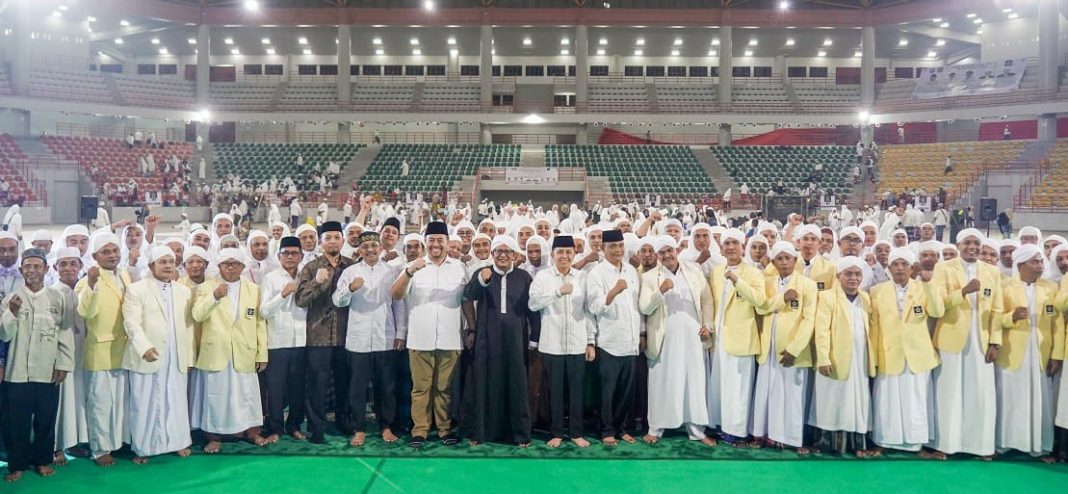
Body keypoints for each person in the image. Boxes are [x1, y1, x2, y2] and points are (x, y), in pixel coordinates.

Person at [390, 221, 469, 448]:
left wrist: (470, 328)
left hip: (451, 337)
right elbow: (395, 294)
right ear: (426, 242)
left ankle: (444, 429)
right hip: (420, 337)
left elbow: (466, 301)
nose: (436, 244)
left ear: (446, 242)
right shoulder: (414, 267)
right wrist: (408, 271)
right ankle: (420, 430)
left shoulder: (458, 267)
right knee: (420, 388)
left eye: (440, 240)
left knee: (444, 388)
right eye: (431, 240)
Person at [926, 228, 1002, 460]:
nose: (973, 247)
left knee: (980, 393)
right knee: (948, 393)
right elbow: (936, 306)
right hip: (950, 338)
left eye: (976, 243)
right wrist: (963, 292)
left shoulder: (992, 271)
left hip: (980, 341)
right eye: (967, 242)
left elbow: (997, 310)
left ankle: (980, 446)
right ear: (958, 245)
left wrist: (995, 342)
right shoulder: (943, 268)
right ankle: (945, 445)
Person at [1, 248, 74, 483]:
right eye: (28, 267)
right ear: (22, 270)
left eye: (37, 266)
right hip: (17, 372)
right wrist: (11, 312)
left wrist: (62, 363)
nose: (32, 270)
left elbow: (65, 333)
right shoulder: (11, 297)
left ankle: (43, 461)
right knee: (17, 422)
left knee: (46, 419)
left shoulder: (57, 298)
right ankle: (17, 465)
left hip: (48, 370)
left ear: (45, 269)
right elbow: (4, 334)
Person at [462, 235, 539, 447]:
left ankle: (519, 435)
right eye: (498, 251)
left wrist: (534, 338)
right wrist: (481, 280)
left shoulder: (523, 277)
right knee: (485, 381)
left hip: (516, 339)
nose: (503, 255)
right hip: (487, 338)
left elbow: (532, 310)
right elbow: (469, 295)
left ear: (514, 254)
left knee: (516, 382)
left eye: (507, 252)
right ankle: (481, 432)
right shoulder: (482, 273)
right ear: (493, 254)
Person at [190, 248, 268, 453]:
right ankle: (214, 436)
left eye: (235, 263)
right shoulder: (207, 287)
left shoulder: (253, 289)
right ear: (219, 266)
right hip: (216, 351)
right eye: (227, 263)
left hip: (244, 351)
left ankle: (252, 432)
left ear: (243, 266)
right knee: (216, 395)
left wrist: (262, 354)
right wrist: (214, 296)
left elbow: (260, 322)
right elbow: (197, 315)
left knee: (247, 394)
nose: (231, 267)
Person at [638, 235, 714, 446]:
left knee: (694, 381)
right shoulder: (651, 277)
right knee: (661, 381)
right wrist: (659, 291)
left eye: (669, 251)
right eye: (661, 253)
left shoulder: (694, 270)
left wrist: (708, 326)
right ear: (657, 256)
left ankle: (696, 430)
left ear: (676, 250)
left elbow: (707, 300)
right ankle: (656, 428)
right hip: (663, 338)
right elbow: (644, 308)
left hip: (693, 335)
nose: (667, 255)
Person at [333, 231, 407, 447]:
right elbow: (338, 301)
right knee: (357, 387)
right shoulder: (350, 272)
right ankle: (359, 428)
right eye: (366, 247)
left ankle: (386, 426)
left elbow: (399, 304)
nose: (370, 250)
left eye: (374, 246)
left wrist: (401, 333)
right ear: (359, 250)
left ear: (380, 248)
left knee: (386, 386)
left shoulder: (392, 272)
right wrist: (349, 289)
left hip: (386, 336)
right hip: (359, 339)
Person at [122, 246, 195, 464]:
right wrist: (144, 347)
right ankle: (144, 448)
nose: (168, 266)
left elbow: (188, 326)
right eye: (162, 262)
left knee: (176, 399)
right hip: (148, 355)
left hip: (176, 356)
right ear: (151, 265)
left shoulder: (183, 291)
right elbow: (131, 322)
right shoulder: (137, 289)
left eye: (171, 262)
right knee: (144, 402)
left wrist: (189, 357)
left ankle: (178, 442)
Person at [868, 248, 941, 455]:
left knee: (916, 399)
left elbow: (937, 311)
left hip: (917, 354)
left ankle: (916, 444)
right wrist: (872, 356)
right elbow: (874, 327)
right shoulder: (877, 291)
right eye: (895, 265)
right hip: (889, 352)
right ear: (889, 268)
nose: (900, 268)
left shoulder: (923, 287)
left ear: (911, 268)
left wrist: (927, 282)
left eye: (904, 264)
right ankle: (883, 442)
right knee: (887, 399)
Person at [529, 235, 594, 448]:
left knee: (577, 390)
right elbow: (533, 304)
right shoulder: (543, 277)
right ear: (553, 255)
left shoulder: (582, 277)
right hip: (552, 344)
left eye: (568, 252)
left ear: (574, 254)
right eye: (560, 252)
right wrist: (557, 292)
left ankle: (576, 433)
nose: (564, 256)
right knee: (554, 391)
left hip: (577, 343)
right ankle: (556, 432)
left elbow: (589, 311)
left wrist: (591, 341)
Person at [996, 245, 1059, 460]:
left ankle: (1039, 447)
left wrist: (1056, 355)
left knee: (1040, 398)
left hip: (1041, 350)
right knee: (1010, 397)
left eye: (1041, 261)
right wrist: (1010, 317)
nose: (1040, 266)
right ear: (1021, 265)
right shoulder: (1004, 286)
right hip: (1013, 349)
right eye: (1034, 262)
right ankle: (1004, 444)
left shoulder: (1050, 288)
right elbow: (994, 319)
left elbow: (1057, 324)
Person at [294, 221, 355, 444]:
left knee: (344, 381)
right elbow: (300, 300)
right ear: (321, 242)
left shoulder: (351, 266)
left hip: (345, 334)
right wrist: (318, 283)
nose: (332, 241)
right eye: (327, 238)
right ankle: (316, 427)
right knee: (317, 384)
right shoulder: (310, 268)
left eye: (336, 237)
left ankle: (343, 421)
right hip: (318, 334)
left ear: (343, 240)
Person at [752, 242, 816, 453]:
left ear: (795, 261)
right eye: (779, 258)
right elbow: (761, 308)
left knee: (792, 394)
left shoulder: (807, 285)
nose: (784, 262)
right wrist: (782, 299)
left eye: (788, 258)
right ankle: (764, 435)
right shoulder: (767, 282)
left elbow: (809, 320)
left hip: (792, 348)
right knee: (767, 390)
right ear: (774, 262)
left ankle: (792, 439)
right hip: (768, 344)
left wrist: (795, 349)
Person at [810, 257, 877, 457]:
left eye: (857, 274)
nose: (853, 278)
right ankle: (829, 445)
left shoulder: (865, 298)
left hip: (860, 359)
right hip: (835, 359)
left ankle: (857, 444)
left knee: (858, 400)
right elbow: (821, 331)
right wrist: (823, 358)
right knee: (833, 400)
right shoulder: (828, 297)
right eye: (848, 274)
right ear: (839, 276)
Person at [76, 233, 131, 467]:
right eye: (106, 252)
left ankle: (118, 442)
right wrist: (91, 284)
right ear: (94, 255)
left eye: (115, 251)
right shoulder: (87, 280)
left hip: (124, 349)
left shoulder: (125, 275)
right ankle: (100, 449)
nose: (112, 256)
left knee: (120, 402)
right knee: (100, 402)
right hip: (100, 351)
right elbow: (85, 312)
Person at [707, 229, 766, 445]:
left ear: (743, 246)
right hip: (719, 336)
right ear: (721, 248)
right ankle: (719, 425)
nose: (731, 247)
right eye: (727, 243)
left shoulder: (752, 273)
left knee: (739, 387)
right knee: (719, 384)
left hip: (741, 337)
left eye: (735, 243)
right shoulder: (716, 271)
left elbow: (760, 301)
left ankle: (737, 430)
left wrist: (737, 280)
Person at [586, 229, 641, 447]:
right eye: (613, 247)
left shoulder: (630, 270)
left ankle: (622, 428)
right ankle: (606, 430)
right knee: (607, 391)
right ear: (603, 248)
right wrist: (613, 292)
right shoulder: (596, 274)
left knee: (626, 390)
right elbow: (593, 307)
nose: (618, 250)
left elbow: (637, 305)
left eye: (620, 245)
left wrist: (642, 333)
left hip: (631, 341)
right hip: (609, 341)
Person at [259, 236, 307, 443]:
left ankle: (294, 425)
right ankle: (275, 428)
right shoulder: (270, 278)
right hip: (277, 342)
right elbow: (264, 311)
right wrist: (283, 294)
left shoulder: (306, 276)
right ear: (278, 256)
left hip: (302, 341)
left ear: (301, 255)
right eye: (285, 253)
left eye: (294, 253)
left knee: (297, 387)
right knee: (275, 389)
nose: (289, 257)